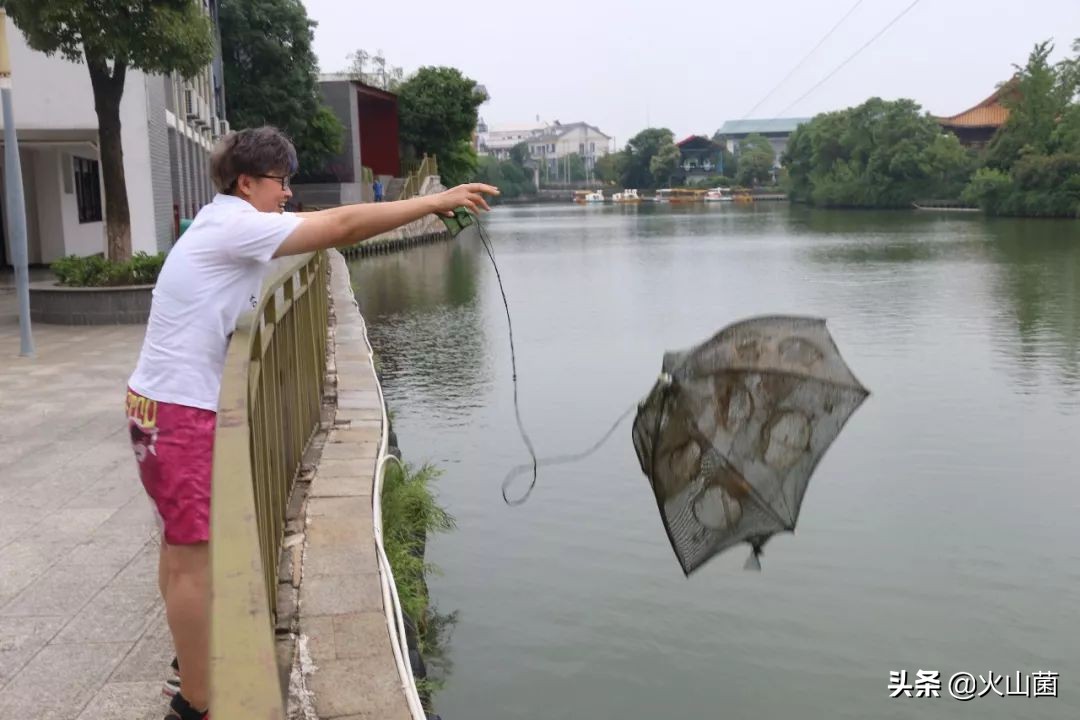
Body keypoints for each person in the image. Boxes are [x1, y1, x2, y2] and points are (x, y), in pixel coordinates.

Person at [124, 125, 497, 720]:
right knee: (193, 555)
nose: (287, 196)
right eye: (280, 183)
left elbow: (322, 225)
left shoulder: (221, 221)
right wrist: (434, 200)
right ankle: (196, 702)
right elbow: (342, 228)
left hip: (153, 402)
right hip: (180, 411)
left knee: (179, 545)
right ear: (246, 182)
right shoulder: (238, 225)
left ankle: (188, 663)